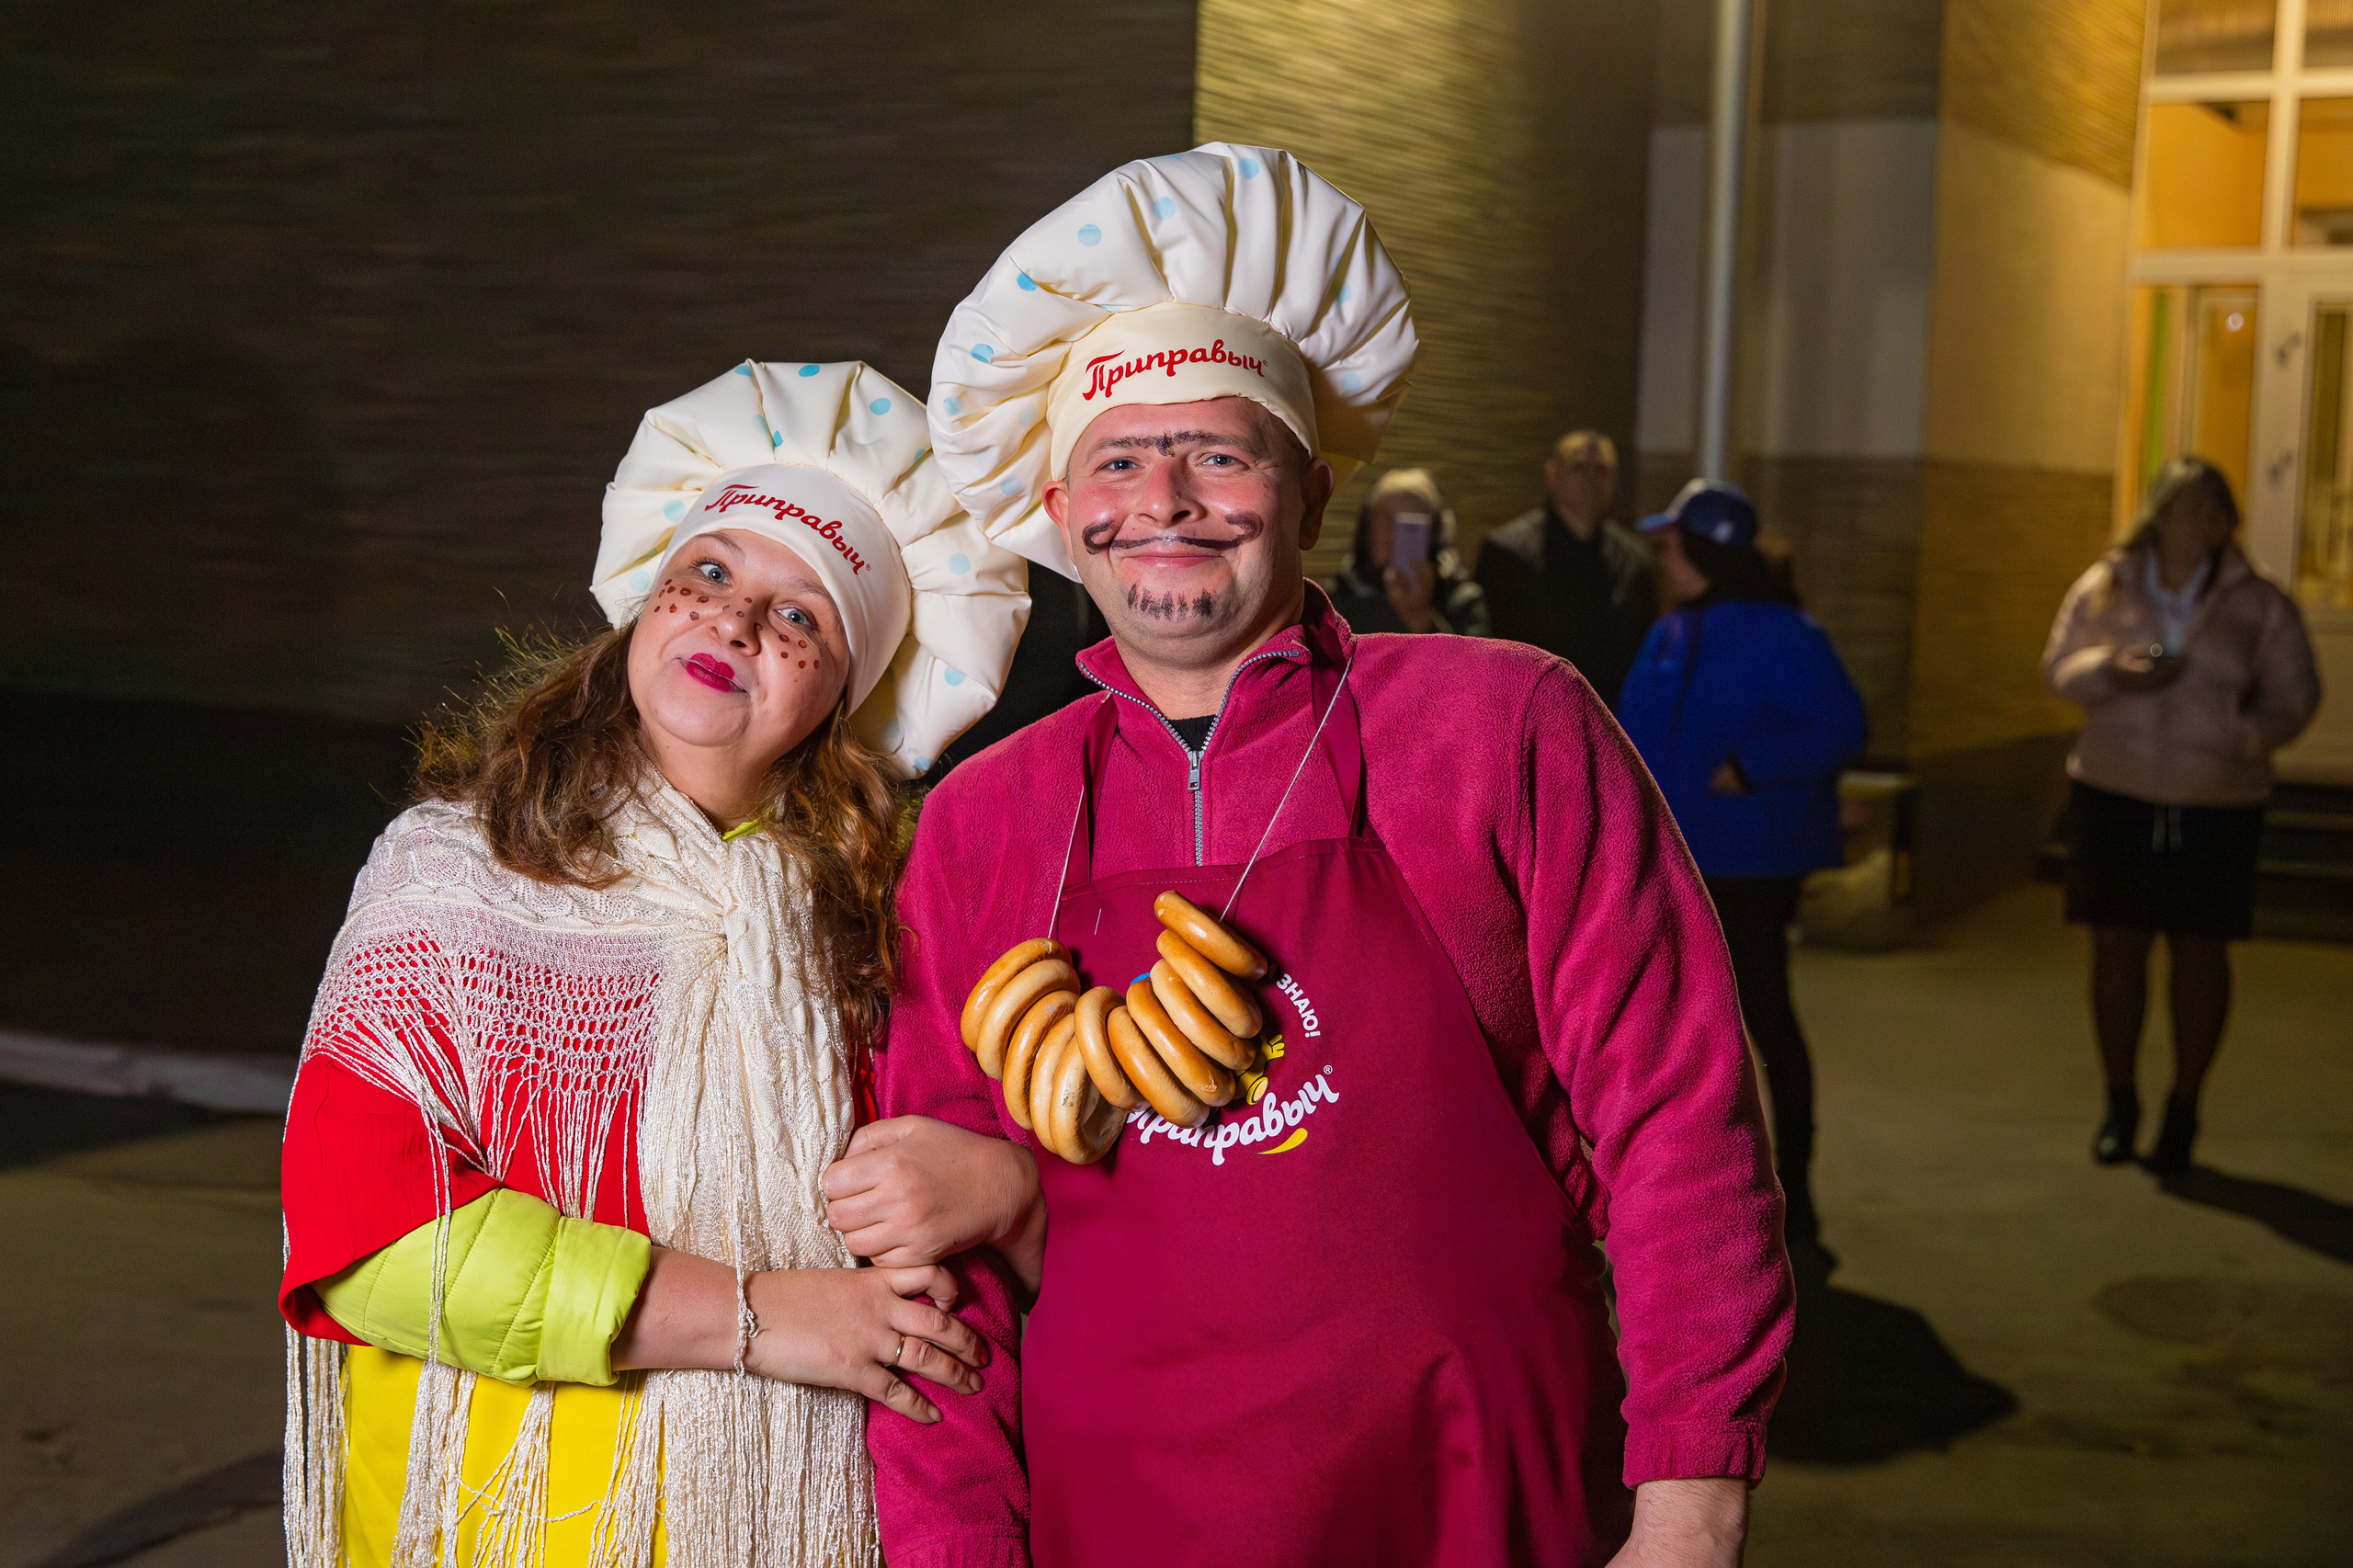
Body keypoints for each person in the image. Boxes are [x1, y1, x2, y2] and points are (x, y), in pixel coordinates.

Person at [843, 142, 1790, 1568]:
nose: (1165, 496)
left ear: (1313, 492)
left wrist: (1690, 1509)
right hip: (1124, 1508)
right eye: (1116, 458)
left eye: (1220, 453)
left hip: (1489, 1484)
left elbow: (1679, 1118)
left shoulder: (1501, 726)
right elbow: (935, 1275)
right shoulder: (988, 817)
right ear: (1061, 513)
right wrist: (956, 1551)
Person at [276, 361, 1029, 1568]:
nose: (735, 620)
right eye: (711, 571)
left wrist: (1011, 1187)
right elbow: (374, 1245)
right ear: (645, 600)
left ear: (851, 690)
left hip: (791, 1526)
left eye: (802, 615)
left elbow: (1013, 1228)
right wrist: (757, 1315)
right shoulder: (453, 874)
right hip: (490, 1518)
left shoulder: (893, 924)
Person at [2042, 456, 2319, 1174]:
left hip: (2215, 799)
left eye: (2218, 510)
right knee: (2116, 947)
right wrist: (2111, 670)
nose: (2207, 523)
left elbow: (2296, 694)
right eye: (2194, 508)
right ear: (2160, 514)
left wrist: (2243, 737)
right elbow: (2058, 668)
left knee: (2200, 950)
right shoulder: (2105, 585)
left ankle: (2184, 1105)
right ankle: (2119, 1100)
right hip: (2115, 788)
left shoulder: (2257, 602)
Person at [1615, 479, 1866, 1265]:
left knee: (1765, 1022)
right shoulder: (1670, 633)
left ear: (1703, 551)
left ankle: (1795, 1191)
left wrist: (1756, 766)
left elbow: (1842, 726)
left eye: (1670, 545)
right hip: (1676, 863)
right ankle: (1694, 1194)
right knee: (1677, 1036)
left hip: (1750, 864)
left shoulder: (1785, 633)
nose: (1662, 558)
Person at [1476, 429, 1657, 704]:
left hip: (1613, 711)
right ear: (1553, 474)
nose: (1591, 479)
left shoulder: (1635, 560)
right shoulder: (1507, 553)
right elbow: (1486, 648)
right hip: (1531, 708)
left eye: (1602, 470)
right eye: (1579, 467)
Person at [1320, 466, 1490, 635]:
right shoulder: (1330, 602)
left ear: (1434, 534)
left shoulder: (1464, 602)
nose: (1395, 533)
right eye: (1386, 518)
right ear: (1367, 529)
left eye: (1411, 523)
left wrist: (1419, 619)